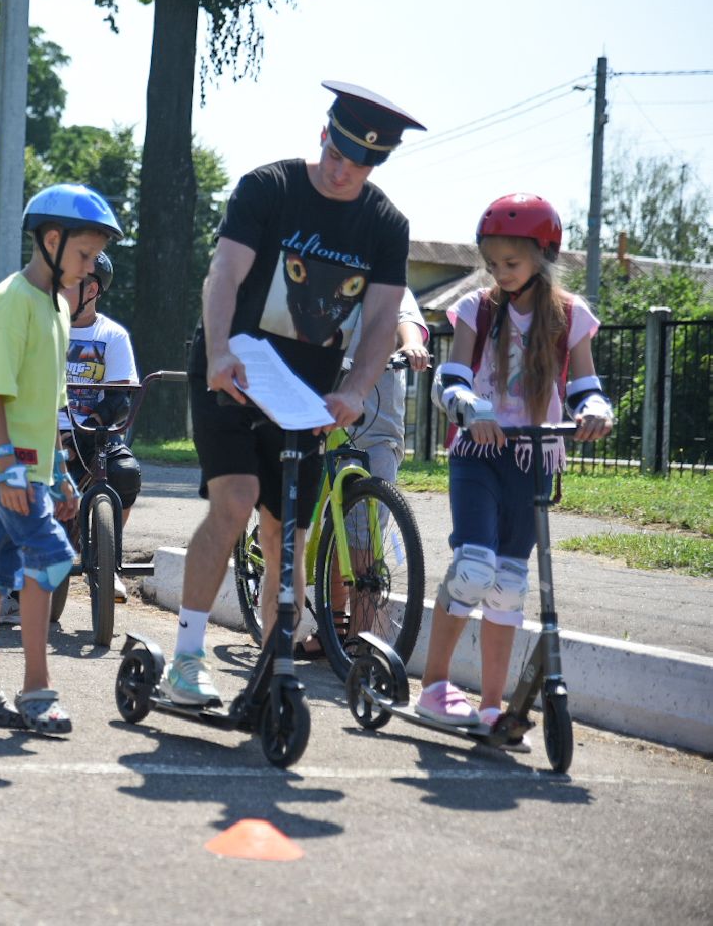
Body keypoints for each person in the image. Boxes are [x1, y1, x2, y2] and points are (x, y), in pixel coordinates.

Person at [166, 81, 422, 706]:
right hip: (236, 368)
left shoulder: (386, 224)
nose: (341, 170)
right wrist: (221, 349)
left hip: (303, 391)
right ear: (323, 133)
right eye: (336, 152)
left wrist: (358, 388)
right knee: (237, 503)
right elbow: (224, 273)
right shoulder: (268, 188)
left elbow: (385, 313)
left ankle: (275, 661)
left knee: (289, 529)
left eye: (358, 163)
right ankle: (186, 659)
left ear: (376, 163)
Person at [421, 194, 612, 729]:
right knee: (473, 568)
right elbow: (451, 377)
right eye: (493, 264)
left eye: (512, 263)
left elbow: (584, 384)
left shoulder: (570, 316)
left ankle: (491, 708)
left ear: (543, 257)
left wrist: (595, 411)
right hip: (479, 454)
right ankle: (433, 687)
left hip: (535, 458)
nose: (501, 274)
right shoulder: (477, 310)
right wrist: (469, 407)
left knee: (508, 582)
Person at [0, 184, 121, 734]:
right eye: (85, 256)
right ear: (51, 239)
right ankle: (37, 690)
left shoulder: (55, 308)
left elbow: (50, 404)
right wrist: (7, 465)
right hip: (10, 465)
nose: (91, 270)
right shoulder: (14, 299)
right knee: (51, 559)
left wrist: (61, 471)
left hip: (33, 467)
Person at [0, 250, 139, 624]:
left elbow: (121, 395)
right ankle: (14, 590)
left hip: (93, 432)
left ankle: (108, 563)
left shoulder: (112, 336)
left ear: (91, 289)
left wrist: (92, 423)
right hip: (42, 430)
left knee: (125, 472)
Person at [296, 285, 428, 658]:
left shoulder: (391, 284)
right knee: (326, 521)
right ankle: (332, 626)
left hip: (378, 424)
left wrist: (412, 345)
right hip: (324, 409)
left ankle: (361, 635)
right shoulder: (330, 276)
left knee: (365, 532)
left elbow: (407, 319)